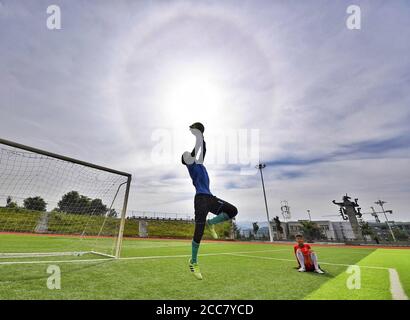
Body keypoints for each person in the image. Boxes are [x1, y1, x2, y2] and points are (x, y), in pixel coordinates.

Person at [182, 122, 238, 280]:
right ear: (186, 160)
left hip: (210, 198)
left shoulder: (200, 164)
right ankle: (193, 262)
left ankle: (211, 223)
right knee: (198, 232)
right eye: (185, 155)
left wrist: (200, 135)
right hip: (200, 199)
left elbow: (202, 148)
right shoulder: (192, 166)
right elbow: (196, 149)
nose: (188, 154)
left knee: (233, 210)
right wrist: (198, 136)